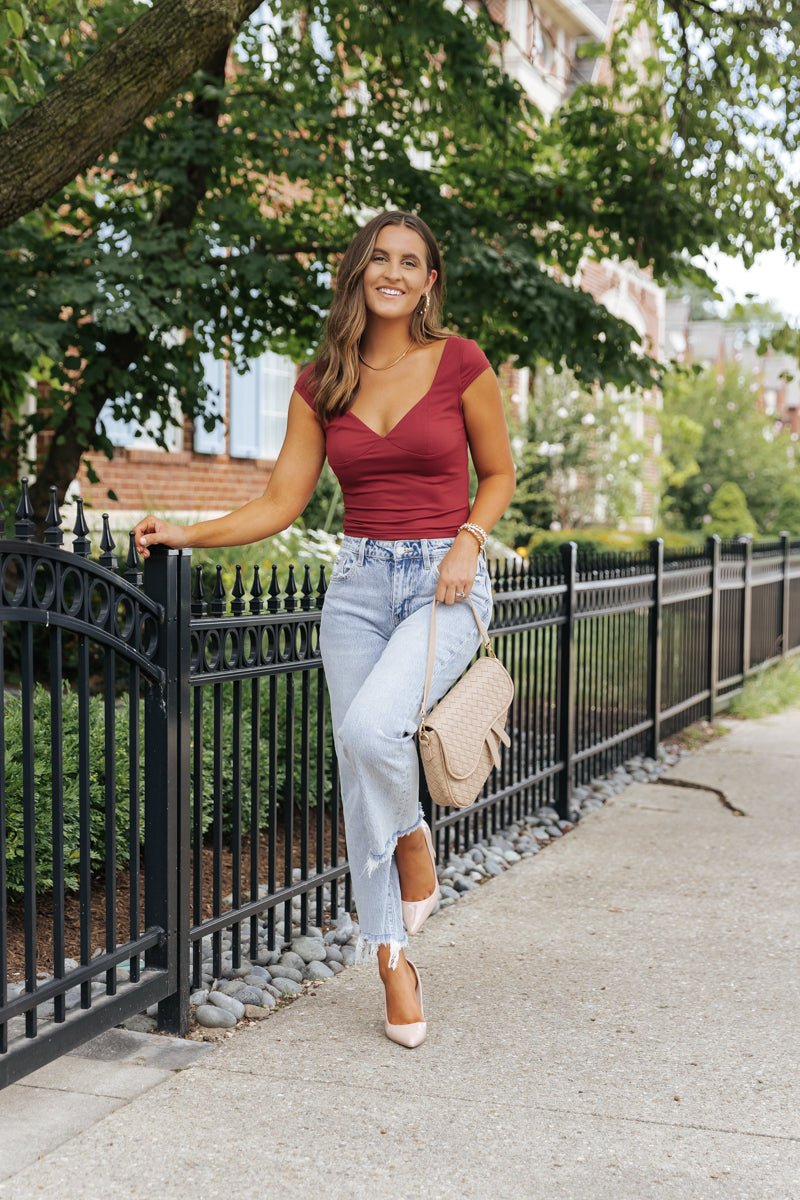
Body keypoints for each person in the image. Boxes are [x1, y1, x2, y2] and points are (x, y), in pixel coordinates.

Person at [133, 210, 516, 1048]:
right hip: (356, 586)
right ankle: (391, 958)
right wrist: (186, 533)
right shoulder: (322, 380)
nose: (394, 271)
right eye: (380, 257)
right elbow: (280, 502)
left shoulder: (460, 364)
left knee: (370, 731)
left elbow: (498, 471)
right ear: (358, 271)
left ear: (430, 283)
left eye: (411, 262)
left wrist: (468, 541)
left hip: (444, 582)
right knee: (359, 761)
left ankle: (413, 837)